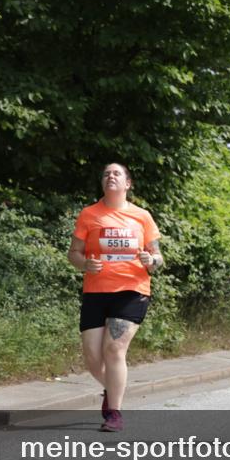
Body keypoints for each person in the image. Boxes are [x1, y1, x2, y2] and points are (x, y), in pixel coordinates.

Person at [68, 163, 163, 432]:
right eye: (106, 173)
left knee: (114, 348)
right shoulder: (89, 214)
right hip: (96, 291)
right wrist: (84, 264)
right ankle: (113, 390)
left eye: (116, 173)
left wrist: (151, 259)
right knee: (92, 359)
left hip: (131, 290)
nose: (110, 176)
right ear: (102, 183)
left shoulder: (141, 216)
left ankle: (115, 413)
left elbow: (158, 258)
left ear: (127, 184)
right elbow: (74, 252)